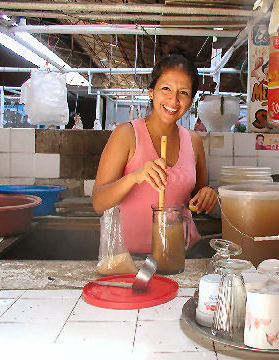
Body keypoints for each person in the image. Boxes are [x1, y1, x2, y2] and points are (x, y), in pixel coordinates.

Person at [92, 48, 217, 254]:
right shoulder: (126, 134)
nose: (173, 100)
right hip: (131, 259)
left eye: (183, 93)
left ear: (191, 100)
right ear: (151, 92)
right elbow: (99, 203)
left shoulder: (193, 140)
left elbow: (197, 198)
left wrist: (207, 195)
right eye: (166, 89)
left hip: (181, 254)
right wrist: (135, 176)